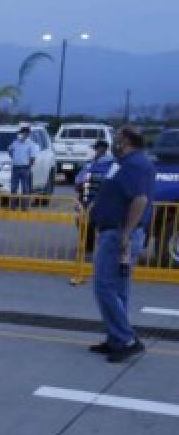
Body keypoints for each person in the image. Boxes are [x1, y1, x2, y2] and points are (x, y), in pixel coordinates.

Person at [88, 127, 155, 363]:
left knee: (104, 286)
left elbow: (140, 199)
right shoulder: (125, 162)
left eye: (117, 139)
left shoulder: (135, 164)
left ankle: (126, 338)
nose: (114, 142)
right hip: (112, 231)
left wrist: (125, 234)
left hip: (119, 234)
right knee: (118, 289)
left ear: (126, 141)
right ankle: (116, 339)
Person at [8, 124, 39, 208]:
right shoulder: (15, 142)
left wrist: (29, 167)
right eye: (21, 133)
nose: (21, 134)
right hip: (15, 167)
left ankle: (24, 206)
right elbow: (10, 151)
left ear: (27, 134)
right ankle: (12, 206)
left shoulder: (31, 144)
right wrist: (16, 159)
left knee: (25, 188)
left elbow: (33, 157)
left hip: (25, 168)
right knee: (13, 188)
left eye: (23, 133)